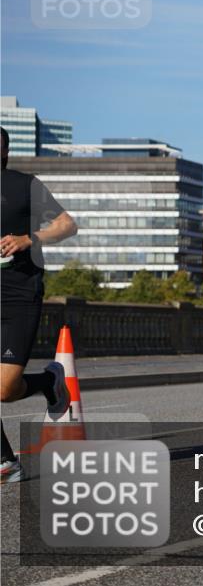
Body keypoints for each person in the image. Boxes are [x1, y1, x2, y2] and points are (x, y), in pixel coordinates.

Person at [1, 126, 76, 483]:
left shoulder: (24, 185)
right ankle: (5, 460)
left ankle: (49, 382)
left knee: (4, 390)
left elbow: (67, 224)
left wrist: (28, 238)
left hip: (19, 294)